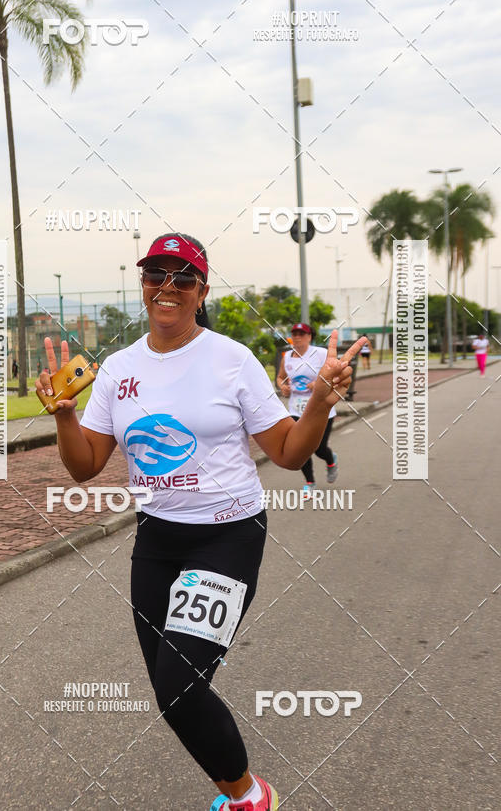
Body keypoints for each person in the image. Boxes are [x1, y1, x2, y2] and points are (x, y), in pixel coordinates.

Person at [35, 233, 366, 811]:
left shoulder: (230, 360)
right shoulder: (117, 369)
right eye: (155, 274)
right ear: (142, 286)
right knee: (175, 692)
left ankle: (249, 799)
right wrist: (64, 417)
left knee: (178, 685)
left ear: (201, 290)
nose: (167, 287)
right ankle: (238, 792)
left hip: (227, 536)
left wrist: (317, 404)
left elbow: (287, 453)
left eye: (182, 277)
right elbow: (85, 465)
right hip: (157, 540)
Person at [276, 323, 339, 496]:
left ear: (309, 336)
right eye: (294, 333)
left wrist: (319, 384)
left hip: (321, 408)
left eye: (301, 334)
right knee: (300, 448)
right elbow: (281, 376)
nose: (297, 337)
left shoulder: (320, 354)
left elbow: (335, 375)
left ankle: (331, 460)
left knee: (319, 448)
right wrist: (283, 387)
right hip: (296, 409)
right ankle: (310, 483)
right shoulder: (287, 356)